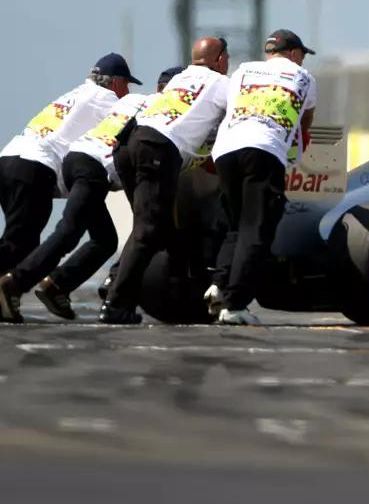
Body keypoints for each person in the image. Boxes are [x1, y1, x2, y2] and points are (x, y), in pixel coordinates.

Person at [0, 53, 139, 322]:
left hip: (10, 159)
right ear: (115, 82)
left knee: (22, 242)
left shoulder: (75, 93)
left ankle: (52, 287)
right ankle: (19, 288)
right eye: (127, 84)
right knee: (20, 245)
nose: (128, 91)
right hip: (35, 167)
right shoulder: (108, 100)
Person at [101, 39, 229, 325]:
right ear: (220, 61)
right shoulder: (222, 84)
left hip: (128, 144)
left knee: (152, 227)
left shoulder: (180, 79)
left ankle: (117, 282)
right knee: (148, 230)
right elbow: (240, 118)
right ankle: (116, 303)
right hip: (157, 148)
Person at [206, 29, 317, 325]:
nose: (303, 61)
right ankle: (235, 304)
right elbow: (306, 123)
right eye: (302, 56)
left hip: (226, 150)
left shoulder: (243, 70)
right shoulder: (303, 77)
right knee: (258, 229)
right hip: (264, 149)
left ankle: (219, 283)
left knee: (237, 225)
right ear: (294, 54)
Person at [100, 66, 185, 299]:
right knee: (150, 227)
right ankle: (118, 291)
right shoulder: (172, 108)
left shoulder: (138, 102)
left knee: (145, 224)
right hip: (146, 161)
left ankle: (115, 277)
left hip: (118, 159)